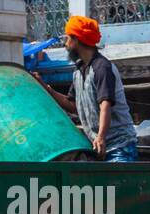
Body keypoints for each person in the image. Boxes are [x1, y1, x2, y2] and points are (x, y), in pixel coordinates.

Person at [43, 16, 138, 162]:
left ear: (77, 40)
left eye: (67, 38)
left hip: (119, 146)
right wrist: (47, 89)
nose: (66, 44)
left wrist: (100, 137)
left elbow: (105, 105)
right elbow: (74, 106)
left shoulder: (102, 67)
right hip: (98, 147)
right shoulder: (78, 71)